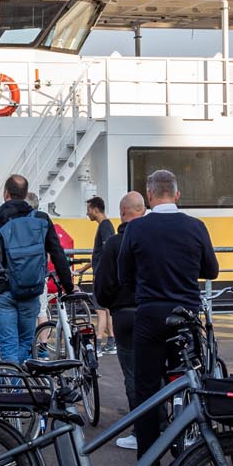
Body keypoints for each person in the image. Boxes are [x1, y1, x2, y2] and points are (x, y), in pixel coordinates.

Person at [110, 171, 217, 466]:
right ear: (177, 194)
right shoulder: (195, 227)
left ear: (150, 195)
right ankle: (191, 461)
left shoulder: (137, 228)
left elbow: (123, 276)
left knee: (147, 393)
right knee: (190, 384)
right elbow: (211, 270)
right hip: (185, 316)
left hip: (149, 317)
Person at [0, 174, 73, 364]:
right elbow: (58, 254)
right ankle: (20, 386)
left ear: (6, 193)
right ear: (25, 194)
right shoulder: (41, 218)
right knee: (26, 342)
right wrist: (68, 286)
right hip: (31, 289)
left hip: (2, 289)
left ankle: (13, 387)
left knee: (8, 344)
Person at [92, 191, 146, 449]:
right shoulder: (153, 239)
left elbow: (102, 288)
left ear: (123, 213)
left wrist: (110, 303)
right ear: (143, 211)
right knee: (157, 372)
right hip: (155, 312)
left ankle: (141, 432)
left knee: (133, 375)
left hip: (125, 315)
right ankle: (166, 422)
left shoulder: (114, 243)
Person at [87, 197, 116, 349]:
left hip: (101, 275)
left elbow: (106, 251)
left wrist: (100, 273)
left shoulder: (104, 226)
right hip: (104, 273)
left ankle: (98, 342)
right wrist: (85, 268)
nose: (87, 213)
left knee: (100, 310)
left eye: (89, 209)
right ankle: (111, 340)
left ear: (96, 209)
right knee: (107, 309)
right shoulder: (106, 225)